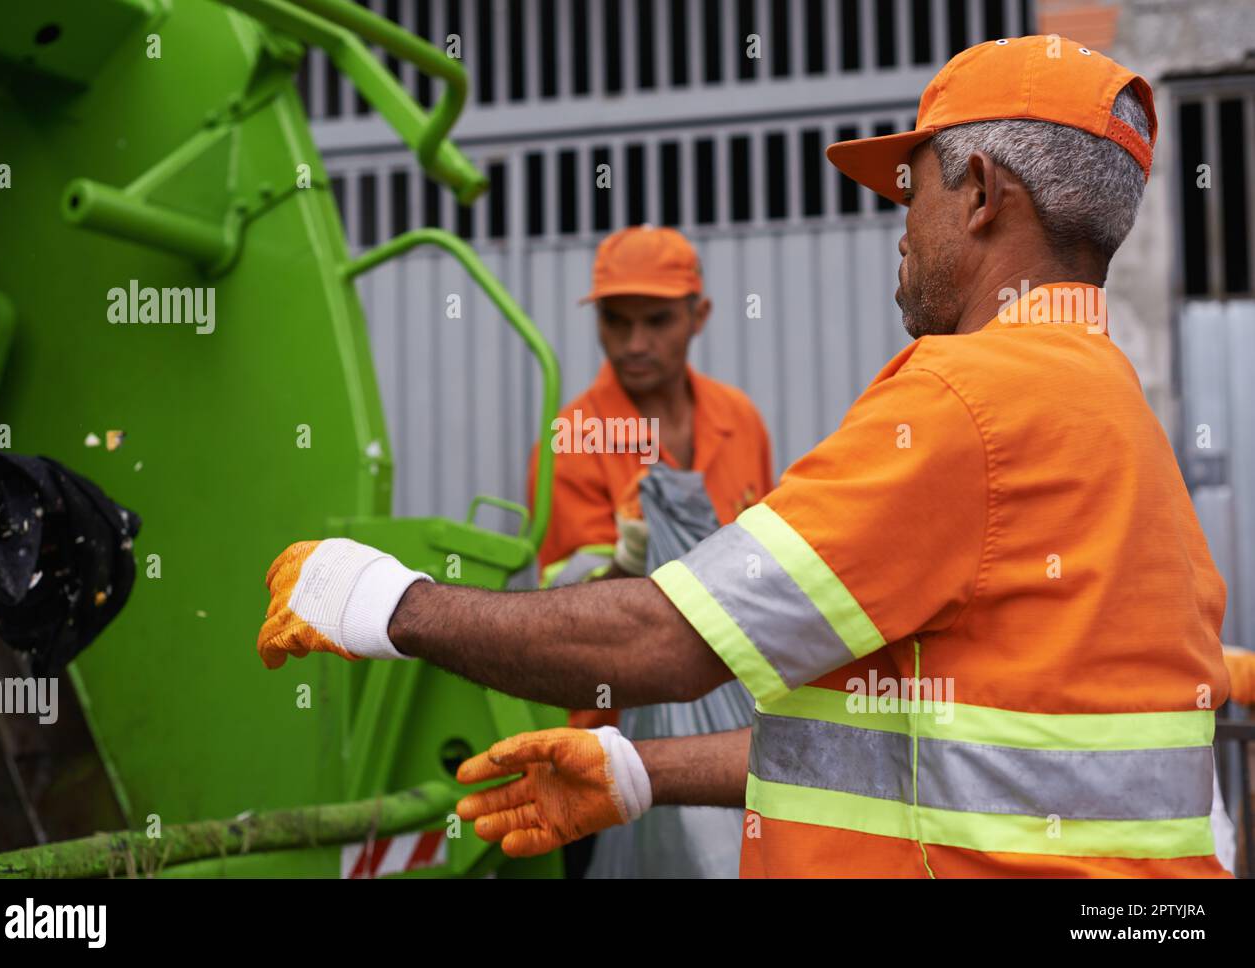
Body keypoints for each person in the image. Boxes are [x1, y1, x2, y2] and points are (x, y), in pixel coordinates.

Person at [258, 36, 1232, 877]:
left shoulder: (966, 401)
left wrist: (383, 601)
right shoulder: (1114, 414)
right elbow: (920, 732)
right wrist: (643, 770)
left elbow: (667, 642)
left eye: (909, 189)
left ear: (979, 193)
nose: (900, 229)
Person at [529, 224, 774, 733]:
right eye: (616, 322)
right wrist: (625, 563)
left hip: (731, 712)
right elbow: (565, 615)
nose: (634, 344)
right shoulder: (574, 439)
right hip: (614, 731)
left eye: (657, 321)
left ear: (698, 316)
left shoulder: (739, 419)